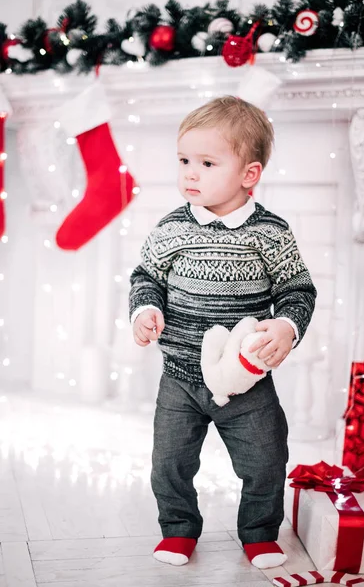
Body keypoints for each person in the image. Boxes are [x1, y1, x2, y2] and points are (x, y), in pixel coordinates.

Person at [129, 95, 317, 569]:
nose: (190, 173)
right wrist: (145, 308)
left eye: (207, 163)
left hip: (246, 378)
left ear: (248, 174)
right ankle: (177, 529)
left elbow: (298, 288)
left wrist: (288, 325)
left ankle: (258, 532)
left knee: (266, 459)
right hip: (180, 375)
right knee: (169, 462)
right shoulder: (171, 228)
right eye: (184, 161)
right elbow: (145, 276)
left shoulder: (270, 232)